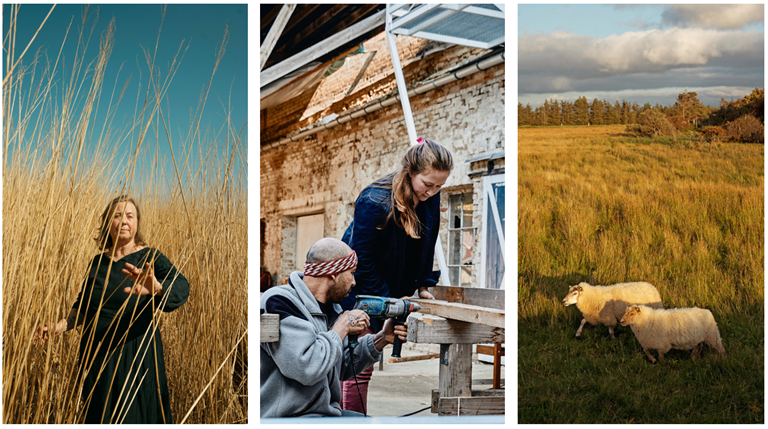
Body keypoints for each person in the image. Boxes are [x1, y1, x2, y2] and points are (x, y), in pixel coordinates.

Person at [34, 196, 190, 424]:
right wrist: (58, 327)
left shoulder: (150, 257)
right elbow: (83, 308)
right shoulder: (97, 263)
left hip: (135, 358)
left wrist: (156, 288)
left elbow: (182, 288)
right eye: (117, 215)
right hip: (97, 358)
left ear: (137, 223)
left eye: (130, 216)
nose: (124, 221)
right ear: (108, 223)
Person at [340, 137, 453, 413]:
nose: (433, 191)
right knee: (357, 366)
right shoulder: (373, 201)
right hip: (362, 291)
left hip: (394, 289)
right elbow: (361, 261)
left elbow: (428, 242)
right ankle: (350, 420)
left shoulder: (431, 196)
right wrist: (390, 302)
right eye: (428, 184)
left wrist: (425, 282)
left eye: (440, 186)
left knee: (369, 358)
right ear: (411, 171)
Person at [260, 237, 408, 418]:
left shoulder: (331, 308)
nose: (354, 282)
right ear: (333, 273)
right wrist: (341, 327)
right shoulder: (279, 302)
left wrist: (382, 338)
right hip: (289, 419)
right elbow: (307, 368)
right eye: (352, 273)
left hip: (325, 415)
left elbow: (342, 366)